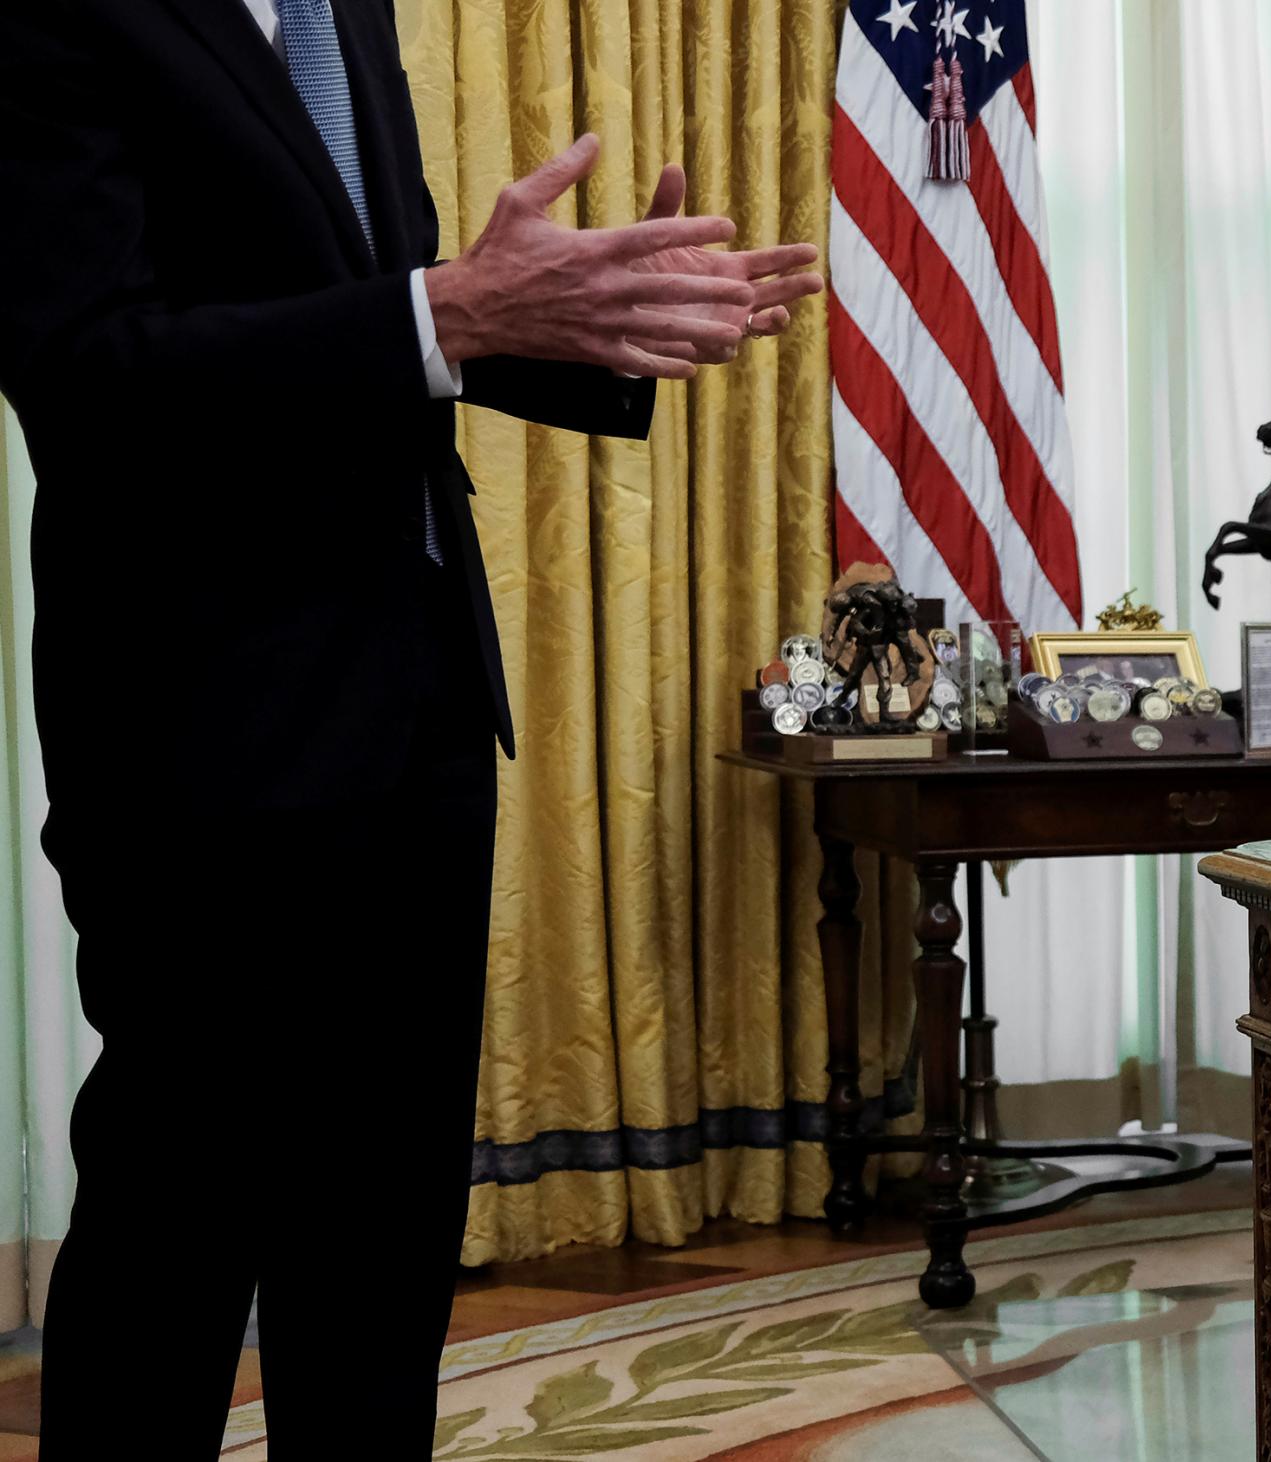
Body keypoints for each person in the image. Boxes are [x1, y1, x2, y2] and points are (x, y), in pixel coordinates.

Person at [0, 0, 821, 1452]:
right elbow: (88, 370)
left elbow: (387, 309)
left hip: (420, 708)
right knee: (178, 1238)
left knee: (380, 1255)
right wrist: (447, 309)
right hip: (204, 742)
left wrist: (589, 325)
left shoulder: (345, 8)